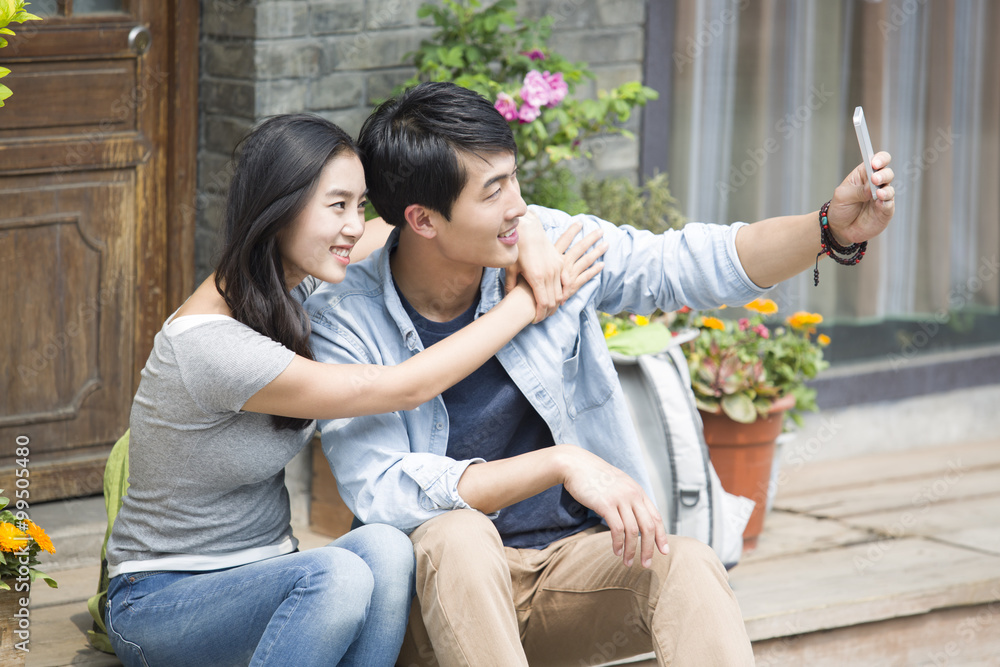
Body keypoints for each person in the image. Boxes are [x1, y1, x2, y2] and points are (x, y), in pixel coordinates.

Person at [305, 82, 895, 666]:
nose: (519, 206)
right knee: (456, 535)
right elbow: (384, 489)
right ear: (423, 220)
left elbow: (682, 265)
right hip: (433, 601)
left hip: (567, 572)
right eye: (493, 192)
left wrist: (829, 229)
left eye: (514, 178)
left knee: (686, 564)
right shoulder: (346, 322)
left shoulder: (554, 248)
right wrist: (560, 463)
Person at [103, 113, 601, 667]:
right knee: (335, 573)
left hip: (269, 577)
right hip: (163, 602)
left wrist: (523, 232)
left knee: (386, 546)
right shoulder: (213, 345)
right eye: (337, 205)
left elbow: (426, 227)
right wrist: (526, 304)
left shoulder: (291, 283)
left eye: (359, 205)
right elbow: (407, 385)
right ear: (279, 209)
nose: (353, 225)